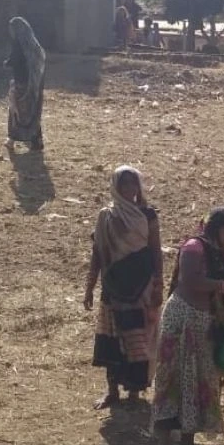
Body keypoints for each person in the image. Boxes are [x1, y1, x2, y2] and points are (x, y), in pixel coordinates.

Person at [152, 208, 224, 445]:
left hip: (205, 324)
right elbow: (191, 281)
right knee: (172, 378)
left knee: (198, 380)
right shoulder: (194, 248)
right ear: (216, 227)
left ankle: (187, 444)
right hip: (182, 319)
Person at [85, 166, 164, 409]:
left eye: (133, 183)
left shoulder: (148, 215)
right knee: (111, 336)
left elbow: (155, 251)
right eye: (124, 184)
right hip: (113, 285)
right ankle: (112, 391)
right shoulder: (106, 216)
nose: (129, 188)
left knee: (138, 338)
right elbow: (98, 253)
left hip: (141, 285)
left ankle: (134, 392)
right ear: (115, 187)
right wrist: (89, 286)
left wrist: (159, 284)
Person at [4, 17, 46, 152]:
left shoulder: (18, 44)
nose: (10, 32)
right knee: (32, 112)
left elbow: (15, 61)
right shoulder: (34, 45)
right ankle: (36, 141)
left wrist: (7, 63)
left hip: (21, 83)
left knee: (16, 111)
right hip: (34, 85)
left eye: (12, 29)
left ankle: (11, 139)